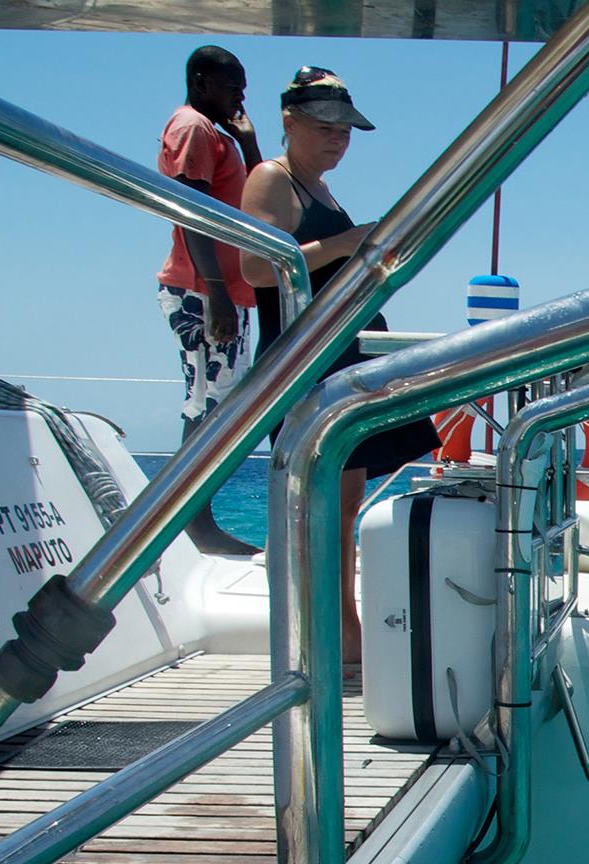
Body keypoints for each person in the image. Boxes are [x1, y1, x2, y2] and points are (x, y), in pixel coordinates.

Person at [239, 67, 440, 664]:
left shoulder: (318, 188)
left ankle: (343, 633)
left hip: (344, 359)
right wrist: (350, 242)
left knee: (345, 506)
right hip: (308, 364)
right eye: (325, 125)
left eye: (346, 129)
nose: (337, 138)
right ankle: (328, 636)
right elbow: (255, 269)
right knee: (321, 506)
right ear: (289, 121)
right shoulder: (272, 179)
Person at [156, 45, 262, 557]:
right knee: (206, 404)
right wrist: (215, 290)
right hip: (203, 291)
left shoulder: (217, 134)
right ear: (201, 82)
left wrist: (250, 144)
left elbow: (258, 204)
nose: (240, 99)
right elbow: (189, 209)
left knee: (219, 404)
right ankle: (192, 522)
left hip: (224, 291)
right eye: (231, 87)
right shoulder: (193, 128)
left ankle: (196, 515)